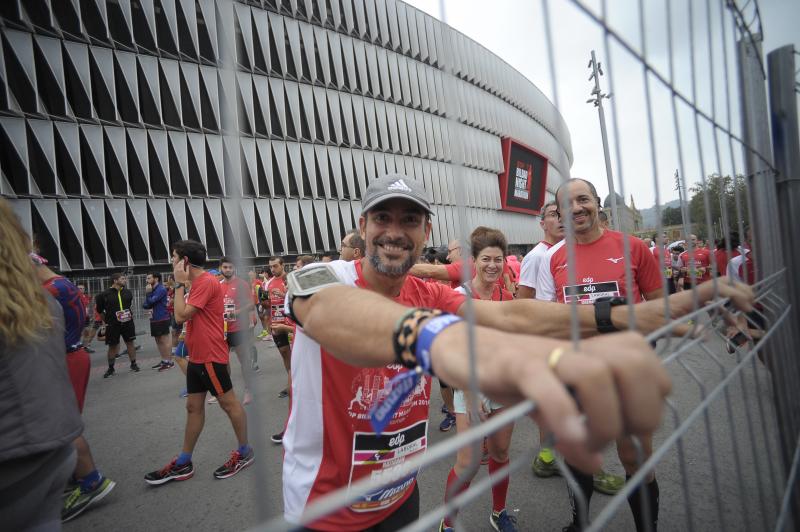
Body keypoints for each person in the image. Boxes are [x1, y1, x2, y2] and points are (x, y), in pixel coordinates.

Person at [280, 173, 754, 530]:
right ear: (362, 226)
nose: (394, 231)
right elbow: (328, 314)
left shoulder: (428, 292)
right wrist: (436, 340)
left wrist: (620, 316)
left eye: (410, 220)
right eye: (382, 218)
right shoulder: (326, 278)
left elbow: (516, 315)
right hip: (325, 508)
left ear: (426, 231)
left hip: (402, 496)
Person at [536, 178, 664, 532]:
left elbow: (661, 309)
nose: (576, 208)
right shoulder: (554, 257)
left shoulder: (634, 248)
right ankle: (580, 525)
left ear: (596, 204)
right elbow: (548, 316)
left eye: (583, 200)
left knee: (634, 457)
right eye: (567, 204)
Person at [518, 201, 622, 493]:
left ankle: (549, 457)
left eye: (563, 213)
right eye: (553, 214)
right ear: (542, 223)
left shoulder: (574, 252)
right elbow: (523, 303)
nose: (561, 219)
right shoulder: (538, 257)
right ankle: (587, 468)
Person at [0, 199, 84, 530]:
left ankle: (92, 478)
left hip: (19, 457)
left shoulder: (55, 289)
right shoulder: (42, 296)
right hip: (52, 445)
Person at [145, 240, 254, 485]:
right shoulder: (198, 282)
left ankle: (245, 452)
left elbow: (181, 315)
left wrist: (180, 285)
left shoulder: (203, 281)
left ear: (184, 261)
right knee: (193, 407)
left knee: (230, 405)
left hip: (210, 357)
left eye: (174, 257)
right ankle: (184, 461)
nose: (171, 261)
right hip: (198, 356)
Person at [440, 226, 519, 532]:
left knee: (500, 452)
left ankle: (499, 513)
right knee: (468, 462)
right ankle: (448, 523)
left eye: (498, 259)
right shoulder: (459, 297)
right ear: (474, 260)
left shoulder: (506, 296)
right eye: (486, 259)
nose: (492, 266)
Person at [30, 253, 117, 522]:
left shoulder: (49, 290)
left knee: (62, 423)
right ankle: (73, 474)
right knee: (62, 421)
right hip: (71, 354)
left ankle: (90, 480)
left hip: (65, 356)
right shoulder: (63, 284)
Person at [218, 257, 258, 406]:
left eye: (230, 267)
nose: (227, 270)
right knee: (222, 362)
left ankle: (249, 390)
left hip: (238, 329)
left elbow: (250, 304)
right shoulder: (217, 285)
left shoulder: (242, 284)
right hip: (222, 329)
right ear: (221, 268)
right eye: (225, 267)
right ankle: (226, 391)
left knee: (244, 360)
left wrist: (236, 311)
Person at [265, 257, 294, 442]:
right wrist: (267, 319)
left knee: (296, 351)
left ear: (283, 265)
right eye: (271, 267)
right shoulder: (268, 283)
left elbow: (294, 300)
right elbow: (267, 304)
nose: (273, 269)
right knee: (284, 352)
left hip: (289, 322)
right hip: (276, 322)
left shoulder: (289, 280)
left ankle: (293, 381)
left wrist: (284, 293)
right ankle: (289, 380)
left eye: (275, 265)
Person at [96, 273, 139, 377]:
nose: (125, 280)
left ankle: (133, 364)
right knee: (112, 346)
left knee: (130, 343)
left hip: (128, 323)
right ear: (115, 281)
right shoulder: (103, 295)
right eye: (123, 278)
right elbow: (100, 311)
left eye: (125, 278)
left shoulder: (128, 292)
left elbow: (129, 307)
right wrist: (106, 321)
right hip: (112, 324)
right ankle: (111, 368)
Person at [144, 272, 174, 371]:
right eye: (147, 278)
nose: (147, 280)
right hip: (154, 318)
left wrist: (148, 294)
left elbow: (152, 301)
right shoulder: (151, 289)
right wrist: (149, 296)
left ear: (156, 279)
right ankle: (164, 360)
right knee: (158, 340)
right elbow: (145, 305)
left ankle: (169, 362)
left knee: (164, 340)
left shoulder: (160, 289)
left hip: (162, 317)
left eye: (149, 278)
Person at [77, 283, 96, 353]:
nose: (81, 290)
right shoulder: (75, 297)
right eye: (79, 288)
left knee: (87, 332)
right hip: (78, 318)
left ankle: (85, 347)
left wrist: (90, 315)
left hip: (86, 318)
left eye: (82, 288)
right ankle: (76, 347)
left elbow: (88, 307)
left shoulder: (85, 297)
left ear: (84, 290)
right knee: (79, 333)